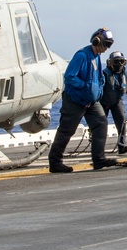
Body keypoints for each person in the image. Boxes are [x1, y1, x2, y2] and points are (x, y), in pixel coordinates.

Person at [48, 27, 119, 173]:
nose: (106, 48)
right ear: (96, 41)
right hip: (75, 100)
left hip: (91, 101)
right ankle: (55, 162)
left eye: (109, 45)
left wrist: (99, 89)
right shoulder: (81, 56)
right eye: (105, 44)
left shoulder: (96, 56)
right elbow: (69, 77)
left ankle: (98, 159)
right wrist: (86, 87)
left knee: (101, 123)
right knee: (67, 130)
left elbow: (98, 77)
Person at [100, 51, 127, 154]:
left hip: (117, 101)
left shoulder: (125, 74)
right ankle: (98, 148)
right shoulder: (104, 73)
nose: (119, 64)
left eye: (121, 61)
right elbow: (98, 89)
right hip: (103, 103)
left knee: (122, 121)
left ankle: (121, 145)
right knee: (101, 125)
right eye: (116, 62)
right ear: (110, 62)